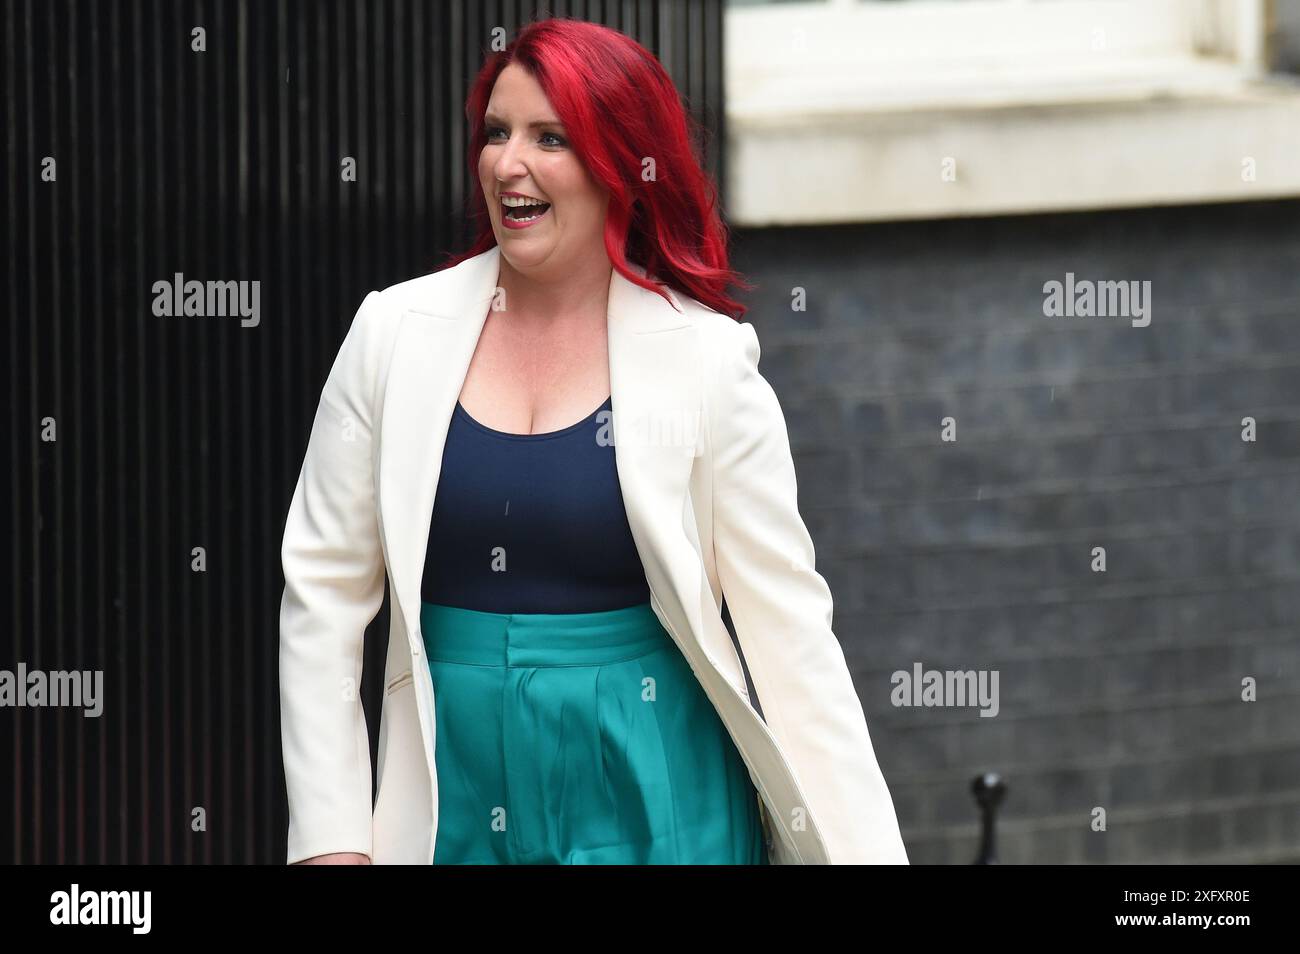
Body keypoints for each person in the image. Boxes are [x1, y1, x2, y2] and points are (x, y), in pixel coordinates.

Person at [280, 17, 909, 865]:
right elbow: (321, 598)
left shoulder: (707, 359)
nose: (509, 164)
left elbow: (791, 639)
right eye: (496, 133)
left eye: (551, 138)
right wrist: (331, 841)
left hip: (659, 797)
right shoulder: (393, 331)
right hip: (447, 799)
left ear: (621, 165)